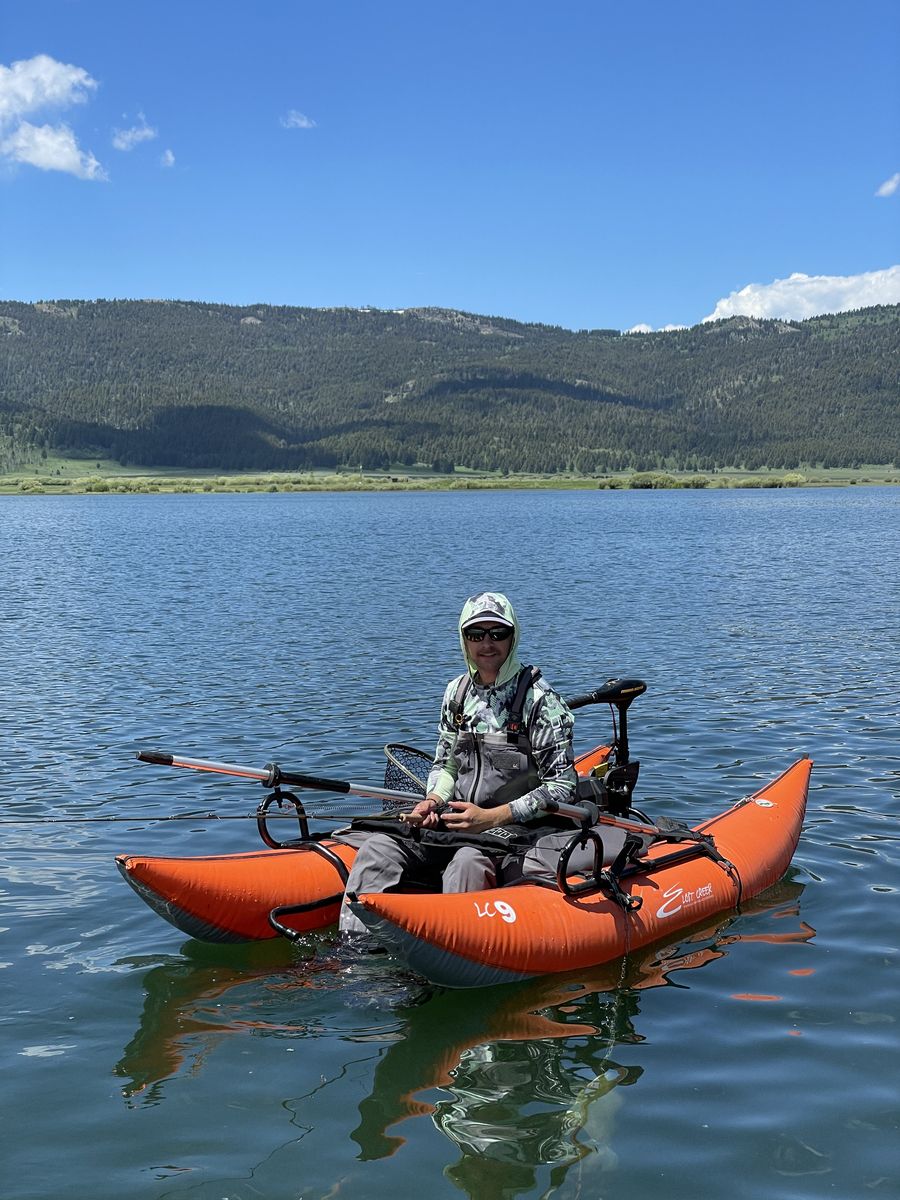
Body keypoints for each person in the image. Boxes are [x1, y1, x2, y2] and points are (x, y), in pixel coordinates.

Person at [338, 591, 582, 936]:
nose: (487, 643)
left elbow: (563, 787)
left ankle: (453, 949)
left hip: (514, 830)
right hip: (456, 821)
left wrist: (493, 816)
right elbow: (446, 765)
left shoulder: (541, 700)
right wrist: (434, 800)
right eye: (475, 634)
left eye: (497, 634)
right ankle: (356, 953)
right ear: (463, 639)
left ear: (513, 637)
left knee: (466, 862)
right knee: (378, 848)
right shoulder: (457, 693)